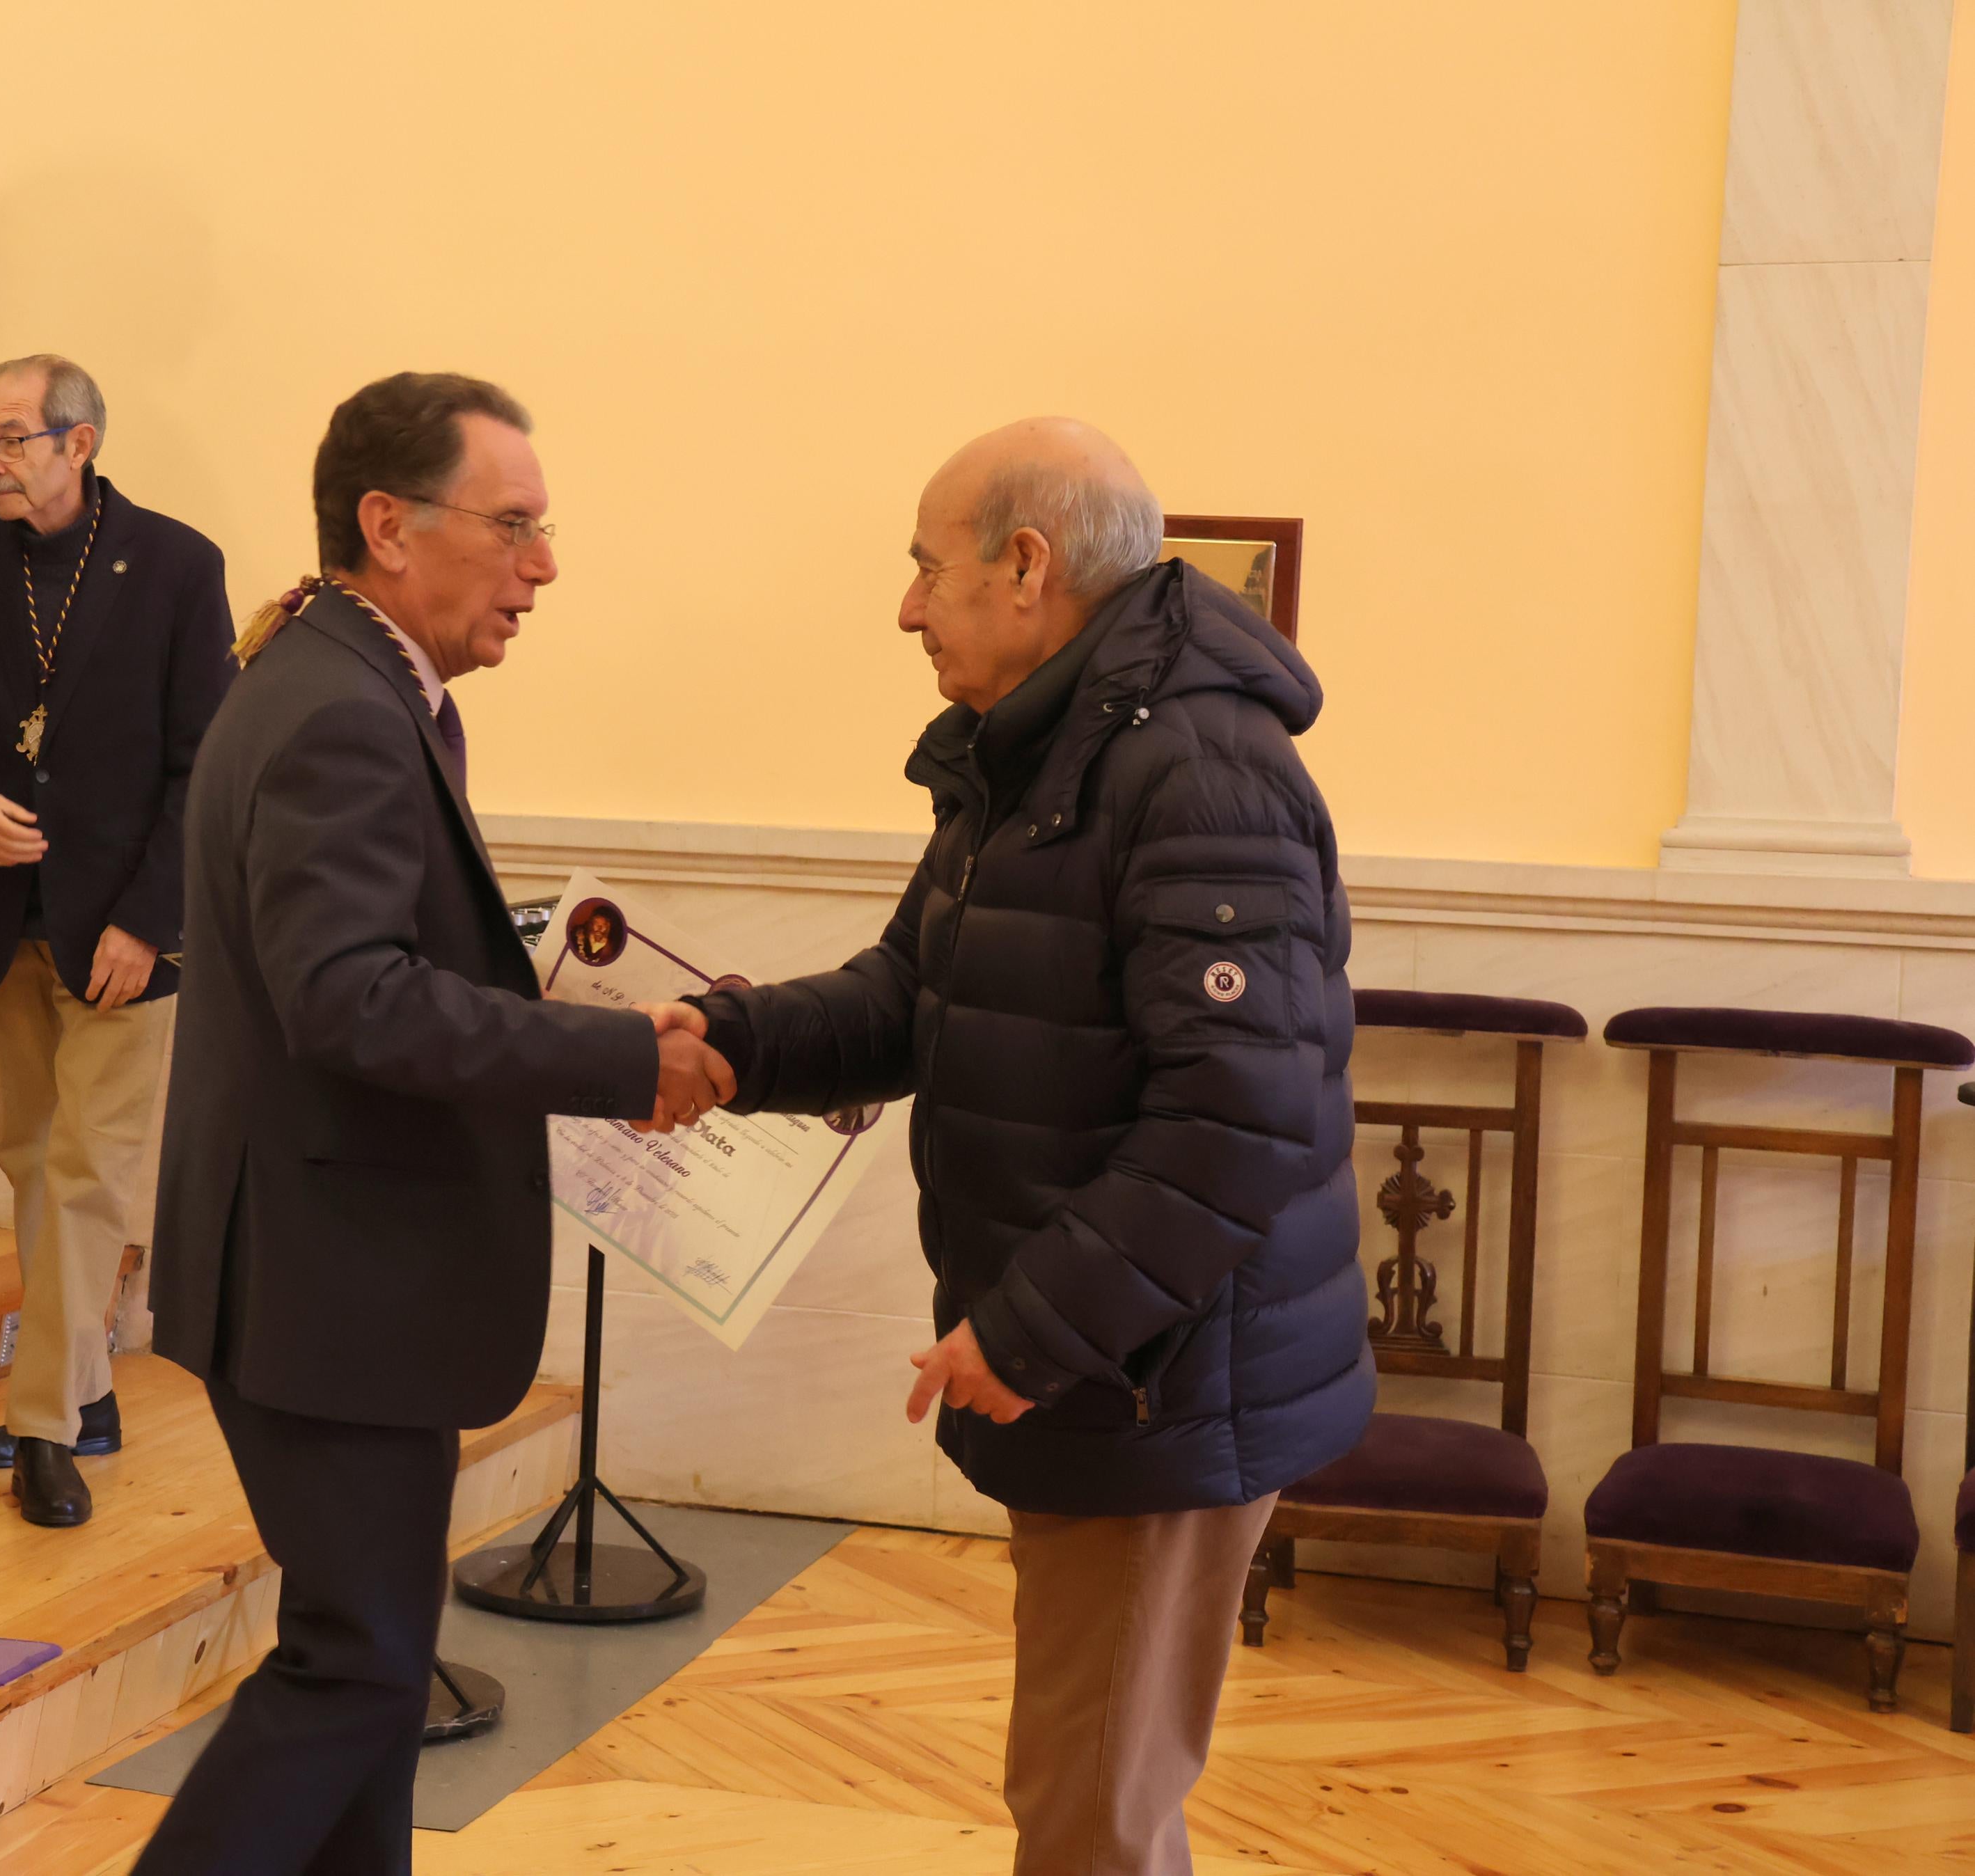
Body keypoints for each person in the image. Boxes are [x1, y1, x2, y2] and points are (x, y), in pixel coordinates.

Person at [666, 418, 1369, 1876]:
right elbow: (913, 992)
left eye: (926, 568)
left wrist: (1036, 1327)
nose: (906, 606)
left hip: (1159, 1382)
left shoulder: (1190, 770)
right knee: (1089, 1790)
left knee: (1088, 1808)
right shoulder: (1046, 753)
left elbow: (1233, 1119)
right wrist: (725, 1040)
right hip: (1120, 1372)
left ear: (1026, 565)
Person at [138, 372, 734, 1875]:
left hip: (335, 1269)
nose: (542, 566)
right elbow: (347, 999)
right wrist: (609, 1056)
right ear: (387, 526)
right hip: (329, 1277)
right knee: (352, 1668)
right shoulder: (339, 707)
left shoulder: (350, 680)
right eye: (513, 526)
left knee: (376, 1668)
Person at [0, 354, 235, 1527]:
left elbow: (205, 770)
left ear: (78, 442)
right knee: (33, 1167)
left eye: (13, 439)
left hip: (122, 929)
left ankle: (43, 1428)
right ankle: (83, 1387)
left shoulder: (177, 566)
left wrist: (149, 920)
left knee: (90, 1174)